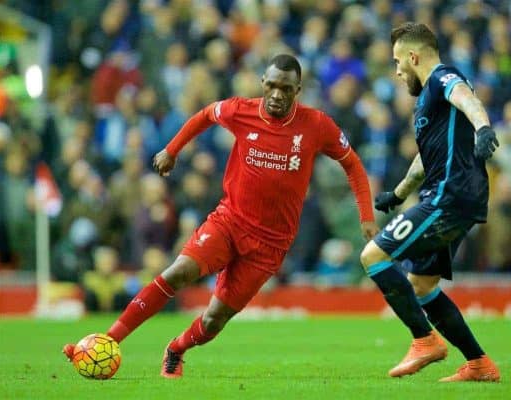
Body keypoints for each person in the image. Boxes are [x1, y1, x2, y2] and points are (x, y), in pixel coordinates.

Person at [63, 54, 378, 378]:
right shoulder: (241, 110)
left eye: (285, 88)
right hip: (229, 222)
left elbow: (352, 164)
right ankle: (108, 339)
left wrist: (366, 216)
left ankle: (177, 348)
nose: (276, 95)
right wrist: (171, 150)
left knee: (215, 320)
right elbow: (204, 115)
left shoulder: (317, 125)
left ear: (297, 90)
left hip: (270, 245)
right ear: (263, 83)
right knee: (178, 272)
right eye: (271, 86)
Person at [359, 23, 501, 382]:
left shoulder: (442, 77)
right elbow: (426, 158)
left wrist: (484, 128)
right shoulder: (428, 100)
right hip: (450, 194)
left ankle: (424, 340)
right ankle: (479, 364)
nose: (396, 70)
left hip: (449, 195)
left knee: (373, 255)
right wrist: (399, 193)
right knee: (421, 285)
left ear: (413, 56)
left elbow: (468, 98)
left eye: (397, 61)